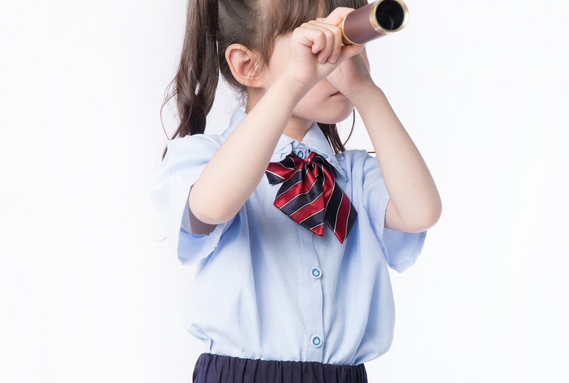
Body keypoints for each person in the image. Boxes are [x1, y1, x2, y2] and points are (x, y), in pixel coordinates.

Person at [149, 0, 442, 381]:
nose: (333, 58)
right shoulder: (204, 160)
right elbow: (212, 205)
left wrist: (365, 90)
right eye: (315, 39)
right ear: (246, 66)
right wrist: (293, 82)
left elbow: (422, 212)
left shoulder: (354, 175)